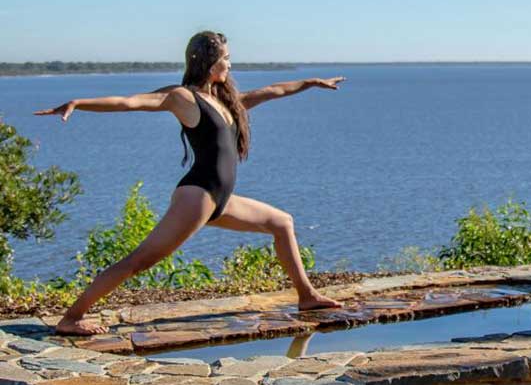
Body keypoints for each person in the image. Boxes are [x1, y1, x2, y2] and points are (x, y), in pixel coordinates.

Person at [36, 30, 343, 335]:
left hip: (219, 198)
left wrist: (311, 83)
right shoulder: (184, 98)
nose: (230, 65)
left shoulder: (227, 103)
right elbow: (131, 101)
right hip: (198, 196)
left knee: (282, 223)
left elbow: (274, 90)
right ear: (211, 63)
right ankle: (72, 317)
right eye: (227, 59)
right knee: (139, 261)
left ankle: (307, 296)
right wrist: (78, 102)